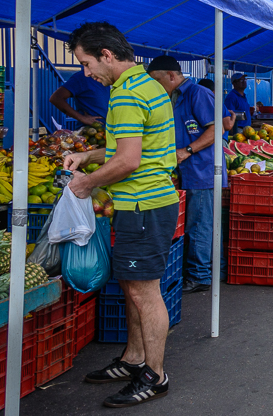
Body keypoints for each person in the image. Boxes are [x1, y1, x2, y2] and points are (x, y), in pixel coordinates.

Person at [61, 22, 178, 406]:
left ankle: (155, 375)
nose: (86, 73)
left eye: (86, 63)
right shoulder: (144, 86)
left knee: (144, 292)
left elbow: (127, 161)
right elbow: (128, 149)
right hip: (144, 203)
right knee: (133, 288)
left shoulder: (126, 95)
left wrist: (85, 181)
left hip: (143, 204)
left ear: (107, 56)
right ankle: (133, 359)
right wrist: (87, 156)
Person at [145, 56, 228, 295]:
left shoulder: (198, 94)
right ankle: (214, 269)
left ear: (171, 75)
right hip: (189, 171)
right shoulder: (175, 98)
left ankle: (200, 275)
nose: (155, 86)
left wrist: (188, 150)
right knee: (204, 223)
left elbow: (217, 128)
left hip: (202, 170)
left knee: (199, 224)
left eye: (157, 80)